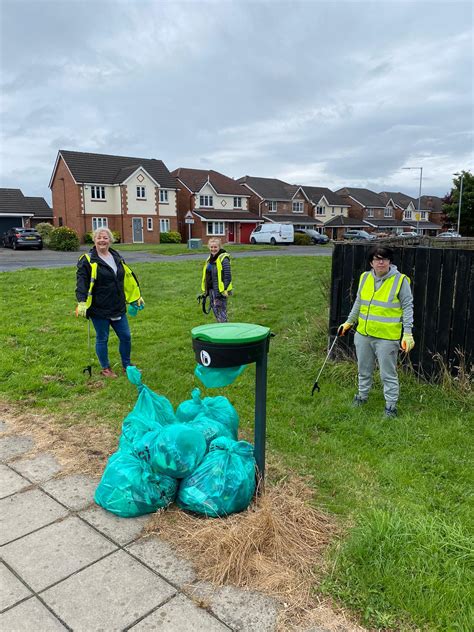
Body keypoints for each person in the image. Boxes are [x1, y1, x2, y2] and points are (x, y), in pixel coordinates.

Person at [338, 246, 414, 418]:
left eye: (384, 259)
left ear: (389, 262)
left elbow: (408, 307)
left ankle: (391, 407)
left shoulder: (400, 281)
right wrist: (349, 322)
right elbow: (359, 301)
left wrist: (407, 333)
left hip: (387, 338)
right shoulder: (365, 277)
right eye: (377, 259)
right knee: (363, 369)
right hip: (363, 334)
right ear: (371, 263)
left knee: (387, 374)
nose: (381, 262)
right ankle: (361, 397)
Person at [75, 227, 144, 378]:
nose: (102, 240)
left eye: (105, 238)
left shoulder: (116, 256)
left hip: (117, 305)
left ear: (110, 240)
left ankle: (127, 365)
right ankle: (105, 368)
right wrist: (81, 301)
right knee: (102, 338)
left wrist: (135, 297)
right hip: (98, 307)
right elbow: (82, 283)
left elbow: (127, 279)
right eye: (99, 237)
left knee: (125, 336)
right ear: (94, 240)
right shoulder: (87, 260)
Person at [201, 237, 232, 322]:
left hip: (220, 291)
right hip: (211, 290)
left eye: (215, 247)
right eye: (211, 247)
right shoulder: (210, 259)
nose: (213, 249)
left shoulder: (223, 258)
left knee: (221, 313)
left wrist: (224, 289)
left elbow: (228, 276)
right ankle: (220, 331)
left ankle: (225, 332)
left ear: (219, 247)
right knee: (216, 312)